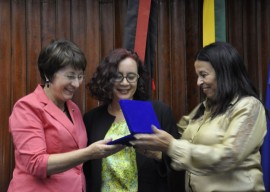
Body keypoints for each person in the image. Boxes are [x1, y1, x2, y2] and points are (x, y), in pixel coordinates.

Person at [130, 42, 267, 192]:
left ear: (224, 72)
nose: (198, 82)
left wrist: (171, 146)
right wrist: (155, 149)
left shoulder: (249, 106)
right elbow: (179, 140)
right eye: (198, 76)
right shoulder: (203, 108)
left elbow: (229, 156)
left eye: (203, 75)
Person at [8, 39, 123, 192]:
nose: (76, 84)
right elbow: (36, 163)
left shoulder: (73, 108)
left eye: (80, 76)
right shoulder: (27, 107)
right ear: (48, 74)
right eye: (70, 76)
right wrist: (89, 153)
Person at [83, 48, 185, 192]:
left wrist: (158, 155)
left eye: (131, 76)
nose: (125, 83)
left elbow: (179, 163)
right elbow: (86, 172)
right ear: (108, 78)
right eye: (118, 76)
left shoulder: (159, 111)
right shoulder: (92, 119)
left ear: (138, 79)